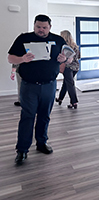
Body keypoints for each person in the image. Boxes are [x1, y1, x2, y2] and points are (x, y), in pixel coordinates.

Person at [8, 14, 72, 165]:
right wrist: (22, 59)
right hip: (29, 86)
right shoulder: (23, 38)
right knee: (27, 117)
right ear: (34, 25)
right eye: (38, 27)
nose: (41, 30)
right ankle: (22, 150)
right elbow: (10, 58)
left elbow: (69, 58)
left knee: (45, 116)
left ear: (50, 27)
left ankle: (41, 143)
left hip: (49, 85)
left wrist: (65, 59)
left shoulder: (58, 40)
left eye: (44, 27)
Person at [56, 30, 81, 109]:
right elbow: (79, 57)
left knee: (70, 84)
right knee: (66, 83)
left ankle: (74, 102)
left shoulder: (64, 47)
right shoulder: (75, 46)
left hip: (67, 67)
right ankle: (60, 98)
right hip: (76, 67)